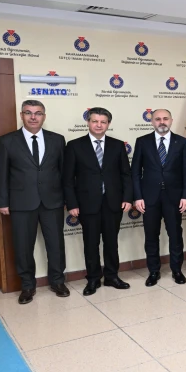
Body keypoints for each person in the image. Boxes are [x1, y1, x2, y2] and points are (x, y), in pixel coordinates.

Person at [0, 100, 68, 304]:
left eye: (38, 113)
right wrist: (2, 201)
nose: (33, 117)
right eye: (28, 113)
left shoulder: (57, 140)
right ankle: (27, 285)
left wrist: (67, 199)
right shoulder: (7, 141)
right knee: (23, 246)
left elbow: (64, 173)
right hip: (21, 203)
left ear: (44, 116)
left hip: (52, 201)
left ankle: (57, 281)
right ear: (21, 115)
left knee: (56, 244)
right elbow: (1, 174)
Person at [63, 107, 133, 295]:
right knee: (91, 243)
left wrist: (128, 198)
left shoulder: (117, 145)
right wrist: (72, 203)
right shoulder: (74, 146)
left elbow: (126, 175)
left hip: (113, 203)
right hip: (86, 204)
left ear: (108, 124)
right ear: (88, 122)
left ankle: (112, 276)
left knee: (111, 242)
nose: (99, 125)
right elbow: (68, 179)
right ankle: (93, 279)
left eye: (103, 122)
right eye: (95, 121)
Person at [131, 109, 186, 286]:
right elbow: (135, 172)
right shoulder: (142, 141)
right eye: (158, 119)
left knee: (175, 235)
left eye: (165, 118)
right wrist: (138, 197)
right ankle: (154, 271)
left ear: (171, 120)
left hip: (174, 197)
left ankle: (177, 270)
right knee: (151, 235)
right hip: (149, 198)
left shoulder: (182, 142)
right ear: (152, 121)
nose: (162, 122)